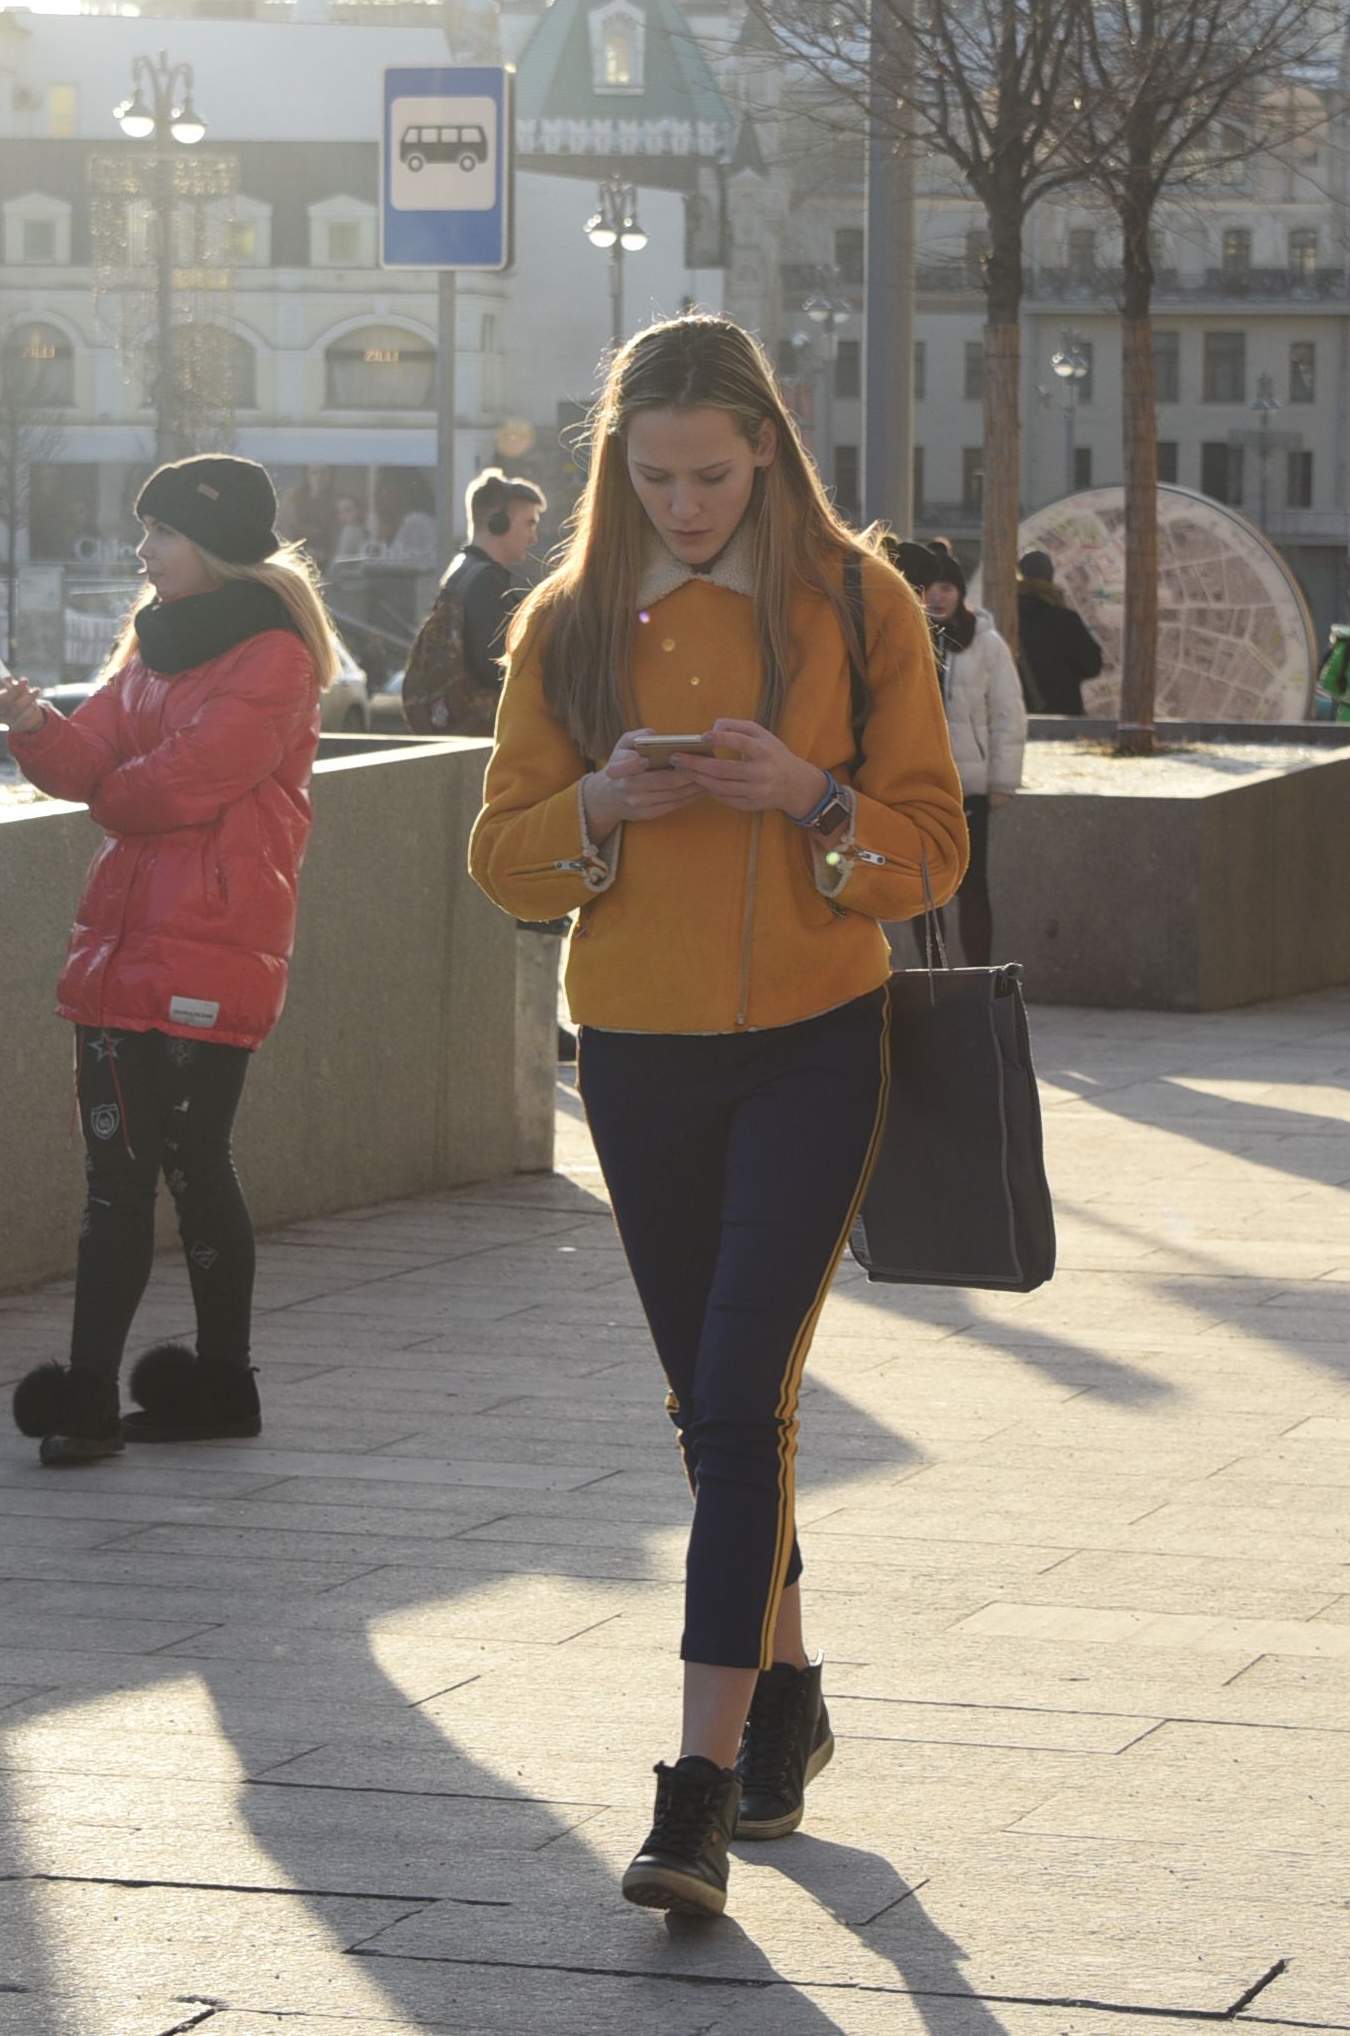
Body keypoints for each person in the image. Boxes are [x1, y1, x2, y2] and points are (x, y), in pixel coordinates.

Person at [466, 315, 968, 1915]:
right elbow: (500, 855)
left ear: (769, 444)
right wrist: (601, 801)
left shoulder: (856, 599)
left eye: (711, 471)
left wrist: (809, 798)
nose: (684, 502)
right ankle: (792, 1694)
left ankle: (688, 1793)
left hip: (818, 1040)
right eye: (654, 474)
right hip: (636, 1048)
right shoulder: (563, 620)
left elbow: (933, 846)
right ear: (618, 462)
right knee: (713, 1413)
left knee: (743, 1403)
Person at [0, 456, 325, 1464]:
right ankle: (112, 1393)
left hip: (207, 952)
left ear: (214, 544)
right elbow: (93, 758)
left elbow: (171, 786)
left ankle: (205, 1382)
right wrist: (33, 727)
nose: (143, 551)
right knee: (119, 1177)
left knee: (182, 1164)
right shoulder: (152, 646)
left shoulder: (274, 656)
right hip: (123, 949)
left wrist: (107, 785)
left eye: (163, 533)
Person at [897, 536, 1027, 966]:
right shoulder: (906, 636)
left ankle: (978, 976)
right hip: (920, 784)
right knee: (925, 885)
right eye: (930, 588)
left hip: (969, 786)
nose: (937, 596)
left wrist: (1002, 782)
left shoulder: (986, 644)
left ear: (961, 593)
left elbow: (1008, 713)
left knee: (973, 884)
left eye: (947, 588)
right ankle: (935, 975)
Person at [406, 469, 545, 734]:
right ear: (499, 523)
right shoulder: (485, 583)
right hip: (483, 730)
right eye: (529, 523)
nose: (533, 537)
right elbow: (497, 666)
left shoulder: (461, 572)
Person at [1012, 548, 1106, 717]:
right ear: (1050, 578)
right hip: (1064, 714)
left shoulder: (1006, 620)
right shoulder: (1066, 620)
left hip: (1016, 716)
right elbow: (1093, 665)